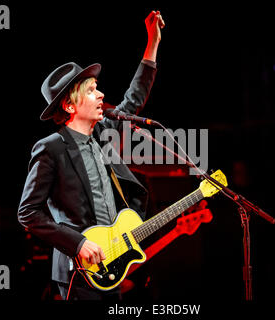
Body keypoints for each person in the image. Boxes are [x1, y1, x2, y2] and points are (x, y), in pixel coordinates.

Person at [18, 11, 165, 300]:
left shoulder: (103, 134)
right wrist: (77, 244)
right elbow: (28, 213)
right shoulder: (50, 148)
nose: (100, 96)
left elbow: (132, 100)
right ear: (70, 106)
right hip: (79, 273)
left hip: (114, 265)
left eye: (98, 89)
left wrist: (153, 43)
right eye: (91, 91)